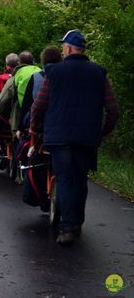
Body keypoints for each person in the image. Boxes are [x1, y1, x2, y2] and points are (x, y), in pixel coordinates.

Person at [30, 30, 119, 245]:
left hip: (60, 137)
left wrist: (34, 128)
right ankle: (76, 222)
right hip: (87, 137)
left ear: (68, 48)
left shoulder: (54, 73)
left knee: (65, 179)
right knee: (80, 179)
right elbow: (113, 110)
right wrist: (102, 132)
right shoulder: (99, 73)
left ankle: (68, 227)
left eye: (63, 46)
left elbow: (39, 105)